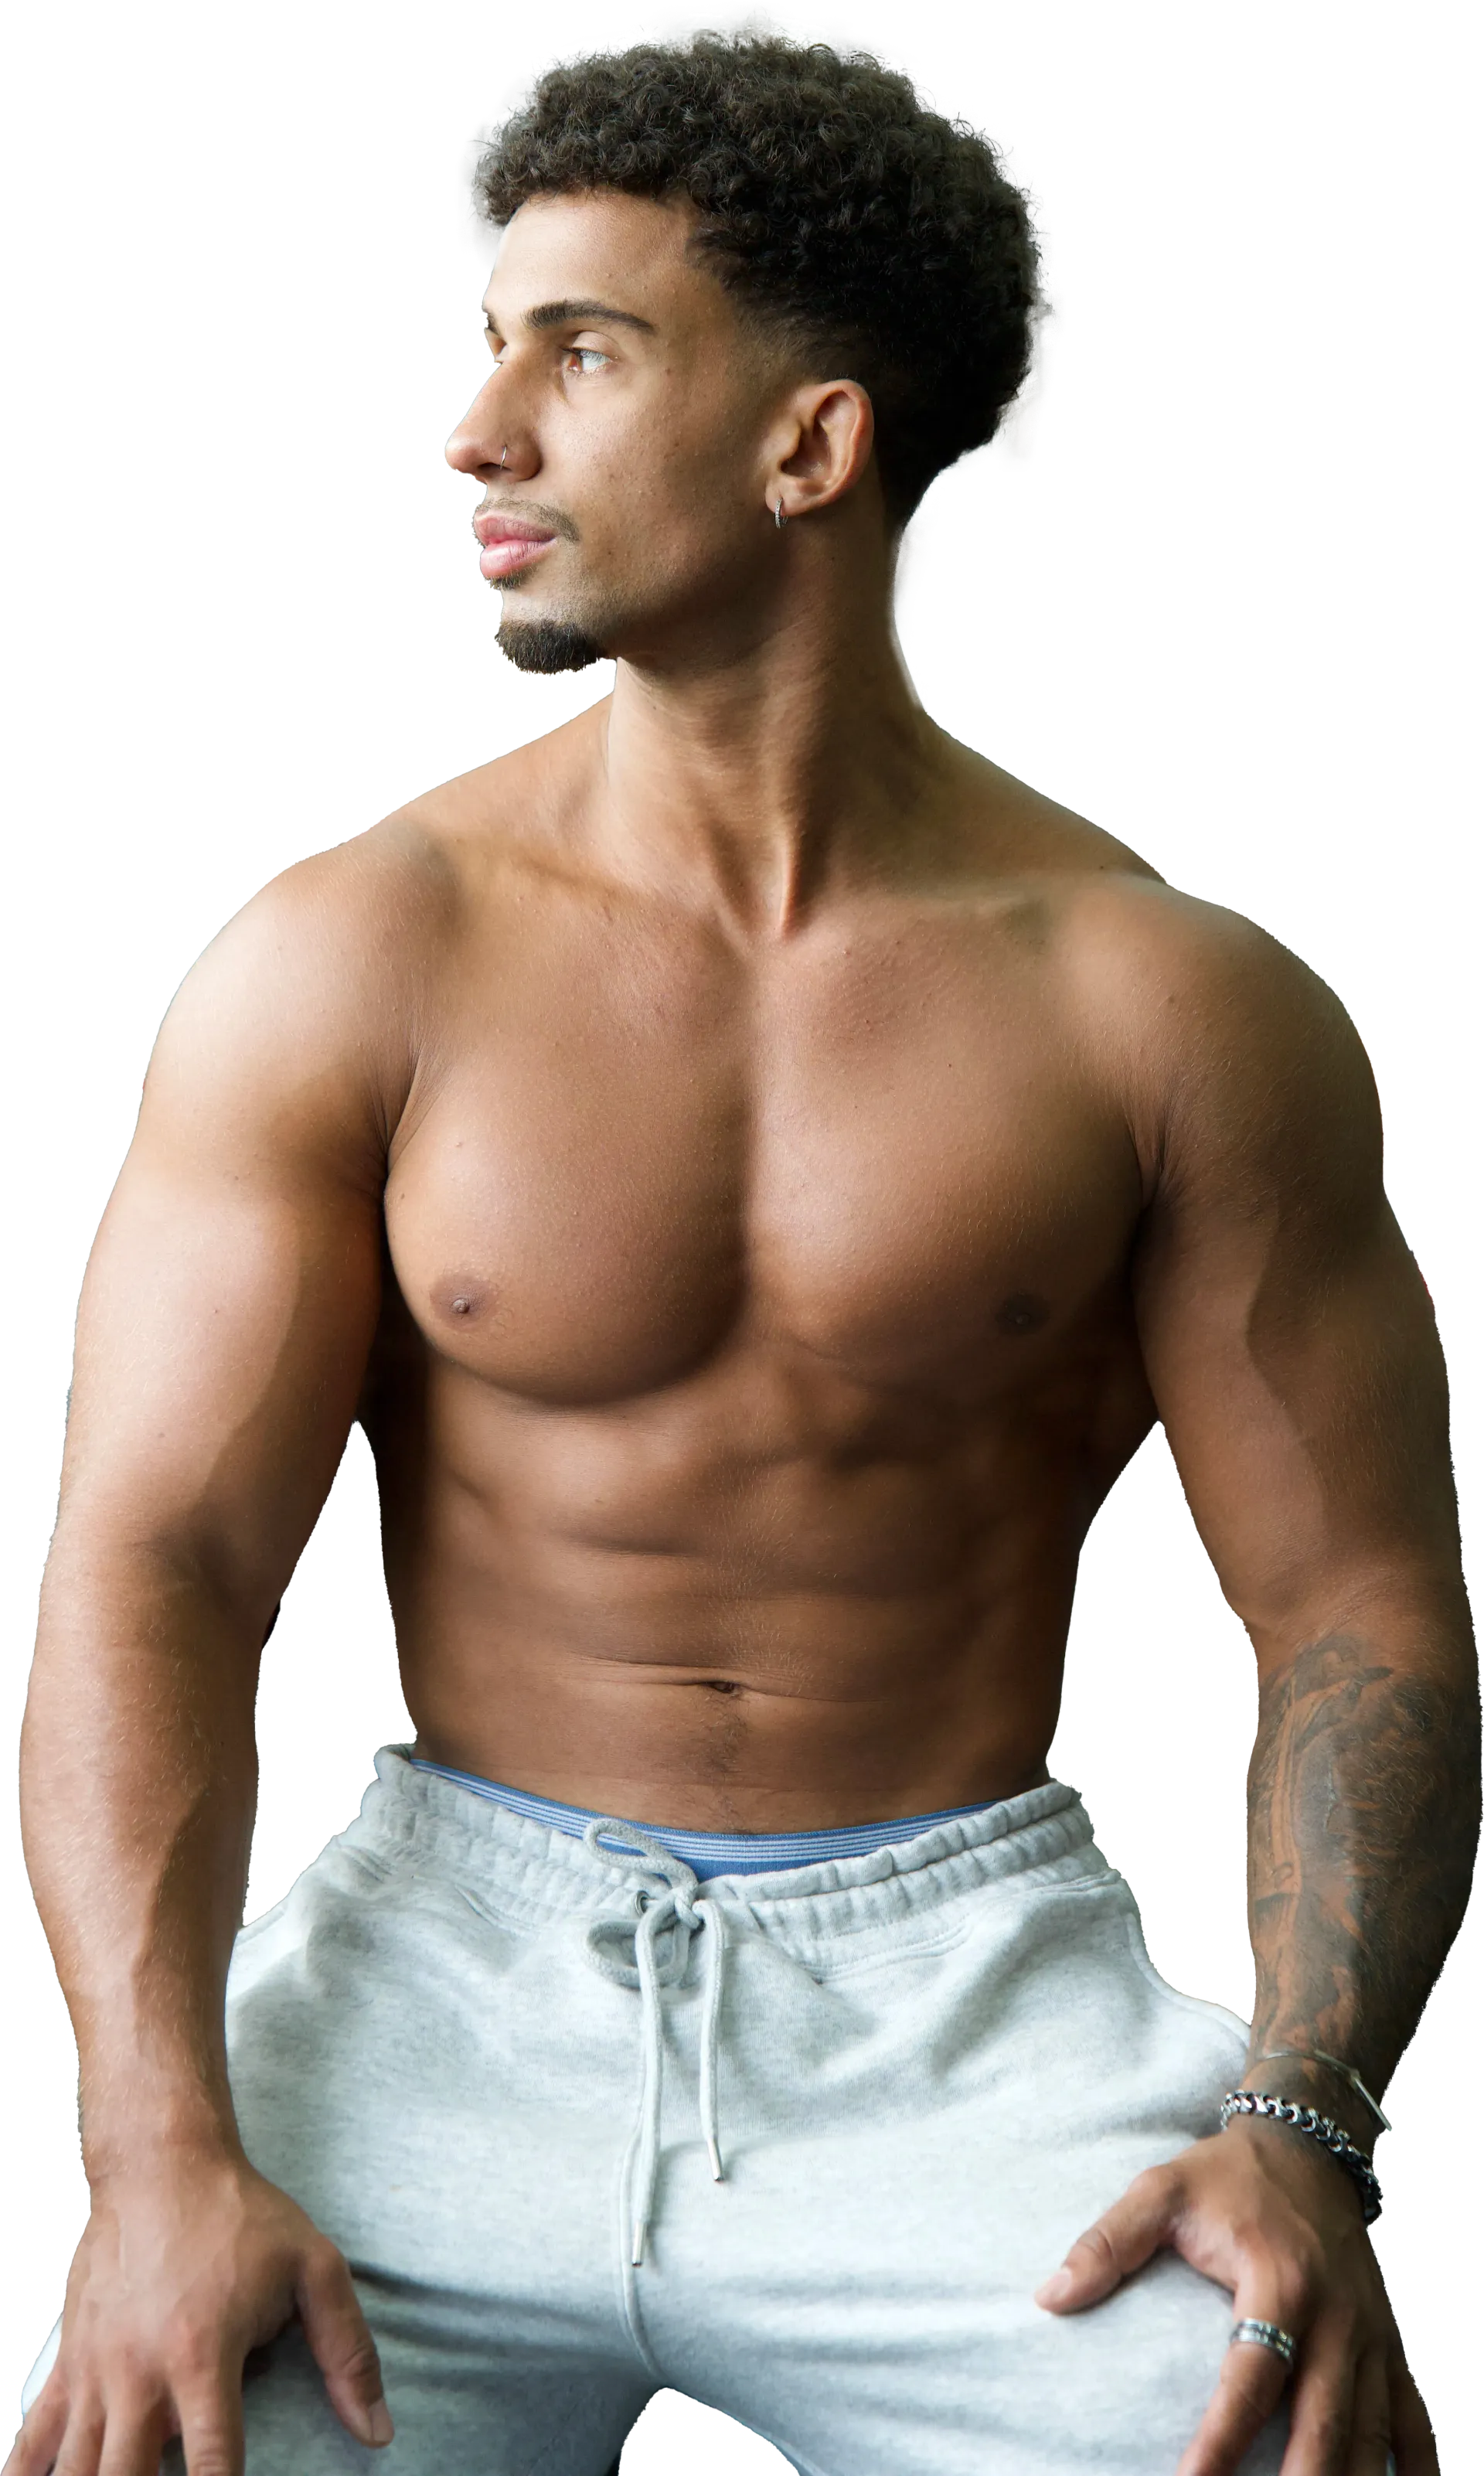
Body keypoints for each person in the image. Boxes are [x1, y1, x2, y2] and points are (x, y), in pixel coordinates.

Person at [7, 24, 1479, 2476]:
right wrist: (154, 2147)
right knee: (143, 2431)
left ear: (815, 446)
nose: (476, 436)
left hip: (960, 2004)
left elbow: (1357, 1604)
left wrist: (1306, 2123)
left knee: (1272, 2426)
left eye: (578, 354)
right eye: (485, 343)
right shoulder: (351, 955)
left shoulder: (1169, 1009)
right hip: (436, 1981)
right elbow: (152, 1557)